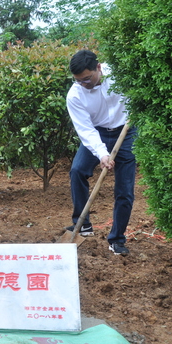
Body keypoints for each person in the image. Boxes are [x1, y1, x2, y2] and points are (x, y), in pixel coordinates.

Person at [65, 50, 136, 256]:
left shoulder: (119, 73)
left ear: (99, 68)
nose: (83, 84)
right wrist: (102, 154)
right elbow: (86, 130)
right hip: (98, 133)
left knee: (124, 190)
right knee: (77, 171)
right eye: (78, 81)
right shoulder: (75, 95)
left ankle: (117, 239)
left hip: (126, 132)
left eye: (87, 79)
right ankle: (82, 224)